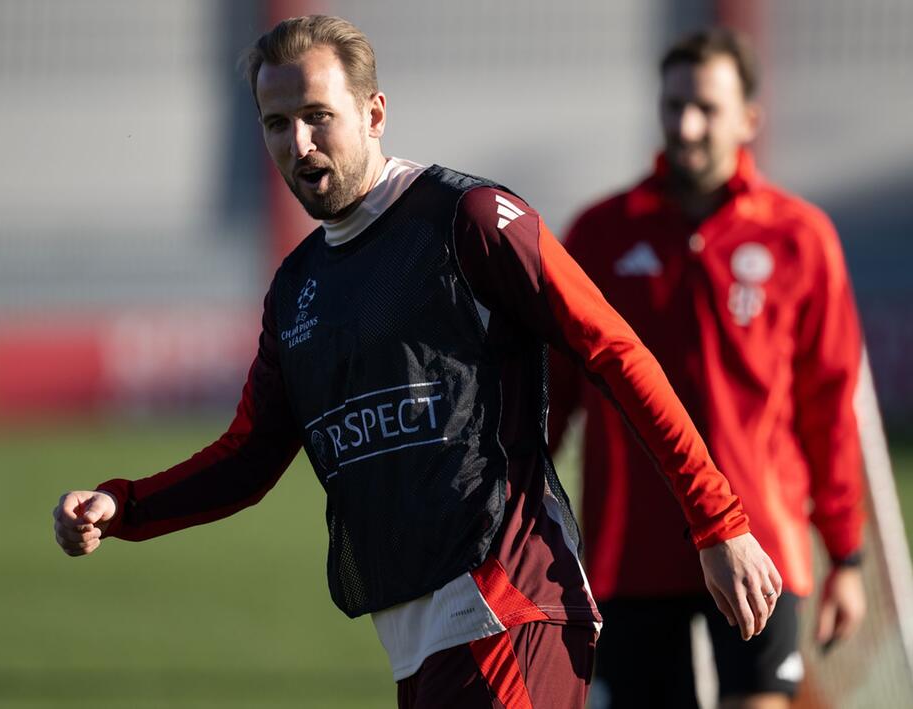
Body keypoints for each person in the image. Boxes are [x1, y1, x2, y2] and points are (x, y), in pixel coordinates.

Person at [53, 16, 781, 708]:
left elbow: (614, 350)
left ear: (374, 114)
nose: (299, 142)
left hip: (508, 606)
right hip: (417, 635)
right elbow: (250, 456)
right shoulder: (297, 285)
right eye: (277, 123)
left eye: (318, 115)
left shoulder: (470, 220)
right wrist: (126, 504)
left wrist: (717, 521)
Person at [548, 28, 866, 709]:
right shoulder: (599, 235)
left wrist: (845, 555)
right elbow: (553, 396)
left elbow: (829, 404)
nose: (685, 126)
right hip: (631, 552)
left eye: (706, 108)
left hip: (764, 541)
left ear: (750, 118)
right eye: (673, 107)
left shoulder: (800, 238)